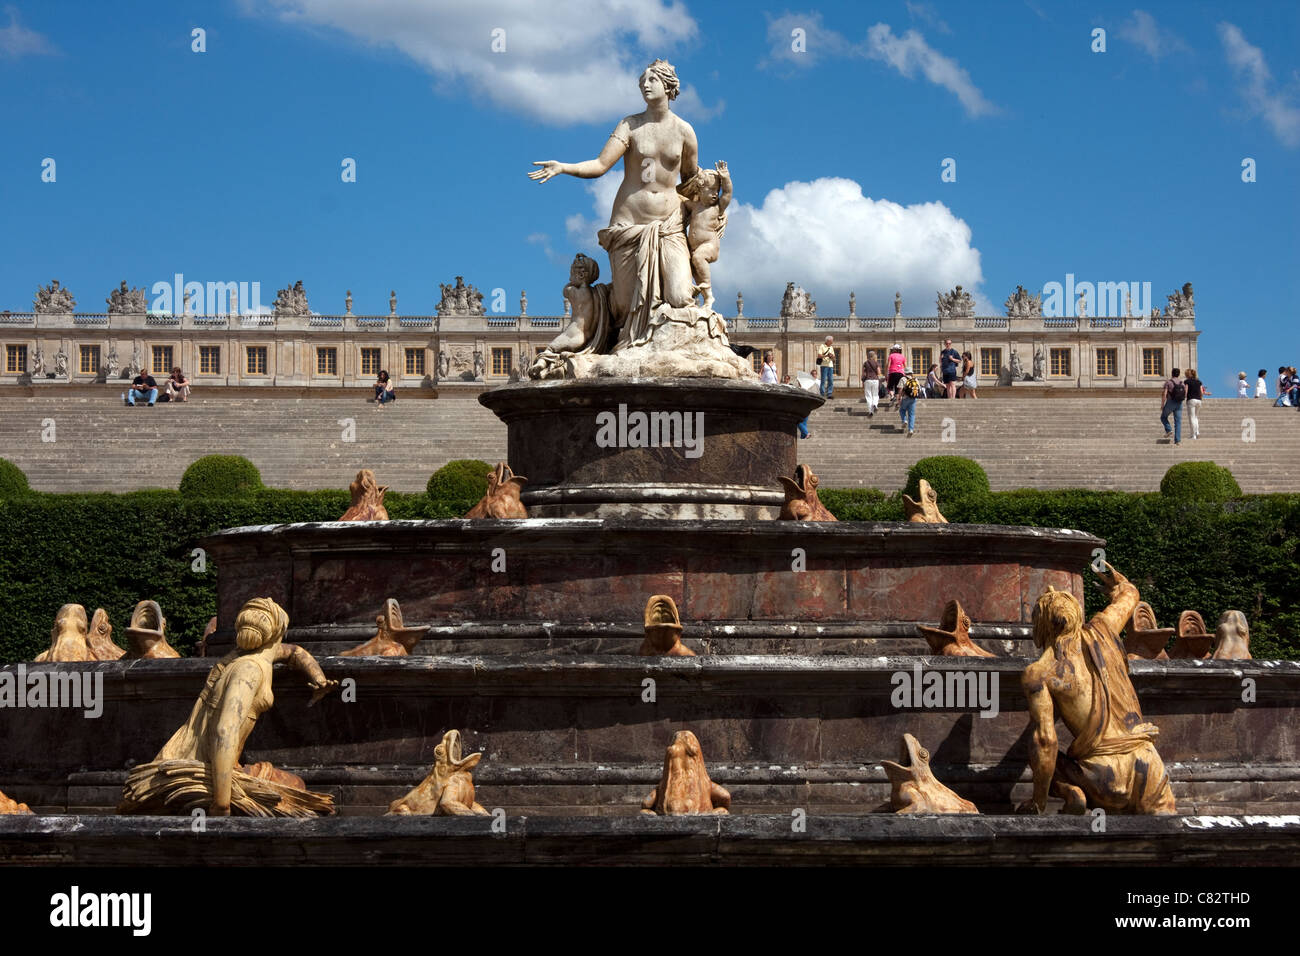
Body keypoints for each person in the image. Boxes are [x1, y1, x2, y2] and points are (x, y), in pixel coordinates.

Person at [529, 59, 699, 347]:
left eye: (652, 80)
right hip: (629, 223)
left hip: (669, 224)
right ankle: (599, 325)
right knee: (624, 305)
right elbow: (599, 164)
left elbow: (692, 184)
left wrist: (716, 207)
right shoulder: (630, 125)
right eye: (642, 81)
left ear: (668, 86)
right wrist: (563, 167)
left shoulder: (685, 132)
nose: (645, 85)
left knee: (681, 296)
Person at [1018, 562, 1176, 815]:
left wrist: (1039, 803)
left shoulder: (1040, 671)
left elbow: (1046, 741)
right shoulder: (1103, 630)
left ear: (1041, 624)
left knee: (1038, 747)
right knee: (1169, 838)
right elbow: (1131, 596)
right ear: (1076, 614)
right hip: (1147, 761)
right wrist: (1118, 582)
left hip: (1103, 775)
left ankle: (1072, 791)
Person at [1160, 367, 1184, 445]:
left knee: (1163, 417)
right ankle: (1177, 441)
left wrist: (1162, 404)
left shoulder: (1168, 382)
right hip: (1179, 403)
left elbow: (1165, 394)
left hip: (1171, 402)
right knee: (1178, 422)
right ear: (1179, 374)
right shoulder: (1182, 383)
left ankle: (1169, 429)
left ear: (1172, 373)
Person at [1183, 368, 1208, 439]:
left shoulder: (1187, 381)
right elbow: (1202, 392)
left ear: (1187, 375)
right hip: (1199, 400)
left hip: (1191, 400)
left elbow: (1186, 391)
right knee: (1196, 417)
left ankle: (1193, 435)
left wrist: (1183, 397)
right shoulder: (1199, 381)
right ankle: (1197, 432)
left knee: (1192, 417)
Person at [784, 373, 810, 438]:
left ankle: (806, 433)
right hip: (805, 407)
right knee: (803, 422)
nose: (786, 380)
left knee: (799, 422)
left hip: (803, 408)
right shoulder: (802, 388)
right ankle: (804, 436)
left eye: (787, 379)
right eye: (785, 379)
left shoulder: (800, 389)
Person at [897, 366, 921, 437]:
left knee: (902, 410)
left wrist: (899, 398)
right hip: (913, 398)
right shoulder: (915, 379)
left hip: (905, 398)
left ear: (905, 372)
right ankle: (911, 429)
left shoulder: (903, 379)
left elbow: (900, 389)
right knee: (912, 414)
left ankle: (904, 420)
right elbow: (919, 388)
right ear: (911, 373)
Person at [861, 350, 880, 417]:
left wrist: (862, 381)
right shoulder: (876, 363)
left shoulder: (865, 363)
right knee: (875, 394)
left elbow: (863, 373)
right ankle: (875, 404)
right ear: (874, 356)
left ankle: (870, 411)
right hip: (875, 380)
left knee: (868, 396)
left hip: (868, 380)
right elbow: (879, 372)